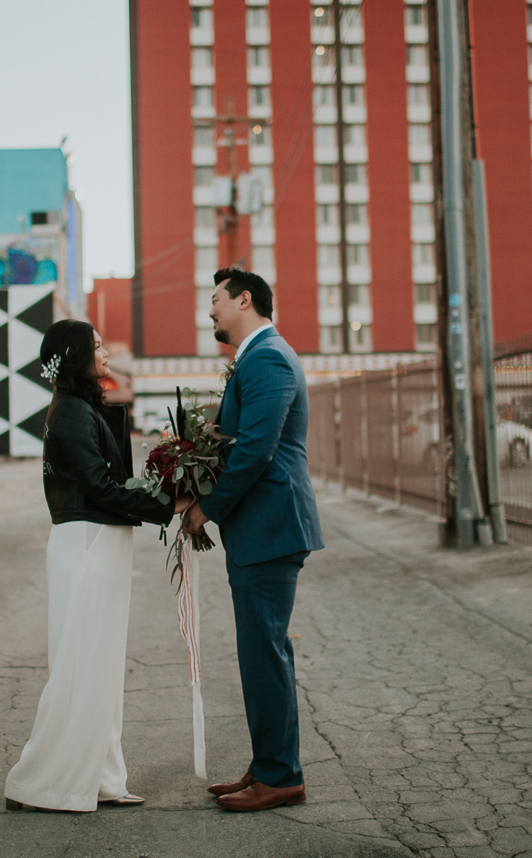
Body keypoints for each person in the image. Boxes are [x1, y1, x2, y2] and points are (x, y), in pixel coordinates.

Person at [5, 320, 194, 813]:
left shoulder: (82, 409)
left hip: (99, 542)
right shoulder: (69, 414)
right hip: (86, 542)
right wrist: (165, 505)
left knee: (100, 667)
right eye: (95, 346)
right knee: (79, 665)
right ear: (75, 357)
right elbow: (96, 485)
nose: (105, 351)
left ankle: (102, 776)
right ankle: (43, 782)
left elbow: (107, 480)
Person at [182, 268, 323, 813]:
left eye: (215, 300)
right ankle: (268, 765)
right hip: (264, 528)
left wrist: (207, 508)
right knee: (262, 653)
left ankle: (281, 775)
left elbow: (256, 450)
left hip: (270, 526)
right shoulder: (260, 356)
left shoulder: (266, 357)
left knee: (264, 653)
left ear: (245, 299)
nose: (210, 311)